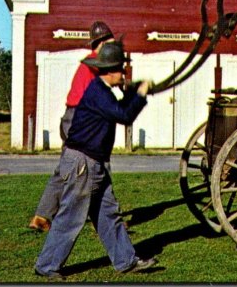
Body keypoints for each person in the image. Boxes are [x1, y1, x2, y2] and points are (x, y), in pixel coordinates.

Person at [34, 41, 157, 278]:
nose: (123, 73)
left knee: (107, 213)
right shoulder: (99, 93)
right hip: (84, 164)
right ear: (110, 70)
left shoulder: (101, 90)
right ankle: (46, 266)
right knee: (71, 217)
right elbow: (124, 115)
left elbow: (119, 107)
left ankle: (126, 260)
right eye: (121, 69)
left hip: (92, 163)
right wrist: (140, 94)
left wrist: (131, 92)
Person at [28, 21, 116, 232]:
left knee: (66, 169)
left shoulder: (91, 64)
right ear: (101, 43)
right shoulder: (95, 63)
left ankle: (41, 216)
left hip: (73, 117)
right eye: (111, 42)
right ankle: (104, 222)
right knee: (97, 167)